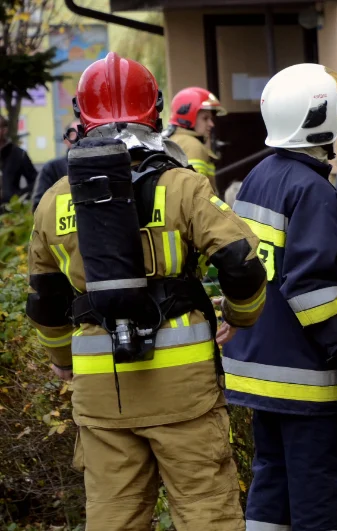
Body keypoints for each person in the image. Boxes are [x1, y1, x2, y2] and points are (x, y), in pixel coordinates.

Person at [26, 52, 267, 531]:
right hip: (183, 393)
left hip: (100, 390)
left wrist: (63, 361)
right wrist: (239, 318)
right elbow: (241, 264)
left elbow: (45, 303)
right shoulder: (182, 186)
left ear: (81, 117)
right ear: (154, 112)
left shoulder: (54, 200)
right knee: (205, 513)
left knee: (113, 516)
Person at [221, 63, 337, 531]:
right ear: (317, 121)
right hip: (305, 374)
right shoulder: (312, 189)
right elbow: (311, 288)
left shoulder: (259, 175)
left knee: (272, 486)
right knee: (323, 493)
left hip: (260, 371)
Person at [165, 87, 227, 192]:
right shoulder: (193, 146)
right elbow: (198, 194)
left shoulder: (175, 140)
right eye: (205, 118)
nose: (211, 124)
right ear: (188, 118)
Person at [32, 121, 81, 212]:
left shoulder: (102, 166)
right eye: (75, 134)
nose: (80, 138)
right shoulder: (51, 168)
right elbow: (38, 207)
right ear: (66, 140)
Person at [0, 114, 37, 206]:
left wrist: (18, 196)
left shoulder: (19, 154)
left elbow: (35, 181)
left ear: (4, 130)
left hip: (11, 213)